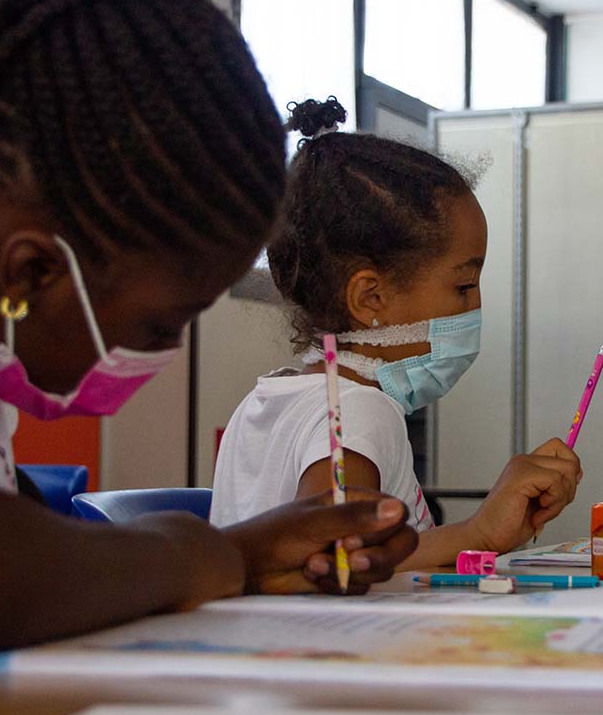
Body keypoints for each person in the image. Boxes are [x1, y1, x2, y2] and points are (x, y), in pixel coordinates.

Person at [0, 0, 416, 674]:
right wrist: (217, 553)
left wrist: (252, 558)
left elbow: (26, 565)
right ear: (35, 271)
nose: (160, 355)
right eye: (160, 325)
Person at [210, 98, 582, 566]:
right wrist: (480, 532)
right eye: (463, 286)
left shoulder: (263, 402)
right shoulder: (360, 409)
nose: (476, 305)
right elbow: (337, 561)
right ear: (370, 299)